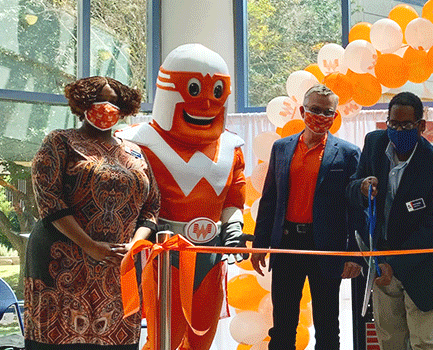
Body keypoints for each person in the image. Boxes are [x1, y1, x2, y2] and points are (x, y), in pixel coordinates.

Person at [116, 43, 249, 350]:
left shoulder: (231, 147)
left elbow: (233, 200)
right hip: (163, 256)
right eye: (193, 89)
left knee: (202, 337)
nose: (206, 103)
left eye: (216, 92)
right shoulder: (138, 142)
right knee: (165, 337)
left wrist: (233, 231)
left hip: (210, 255)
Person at [26, 76, 160, 350]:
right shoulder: (60, 142)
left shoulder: (136, 153)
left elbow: (152, 206)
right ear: (83, 103)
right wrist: (89, 245)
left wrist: (135, 245)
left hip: (118, 268)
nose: (107, 107)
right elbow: (49, 198)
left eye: (114, 101)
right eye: (100, 99)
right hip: (61, 265)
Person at [250, 84, 362, 350]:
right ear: (302, 111)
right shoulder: (281, 148)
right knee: (283, 326)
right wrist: (259, 244)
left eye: (327, 112)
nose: (320, 116)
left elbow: (357, 208)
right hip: (287, 244)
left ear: (335, 116)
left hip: (327, 247)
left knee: (327, 327)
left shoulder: (348, 153)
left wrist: (355, 254)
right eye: (314, 109)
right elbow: (270, 199)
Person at [347, 91, 433, 350]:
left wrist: (394, 264)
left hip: (425, 270)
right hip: (383, 266)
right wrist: (361, 187)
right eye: (393, 124)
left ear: (421, 125)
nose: (398, 131)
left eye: (406, 125)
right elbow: (351, 189)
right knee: (390, 343)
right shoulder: (374, 144)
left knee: (427, 344)